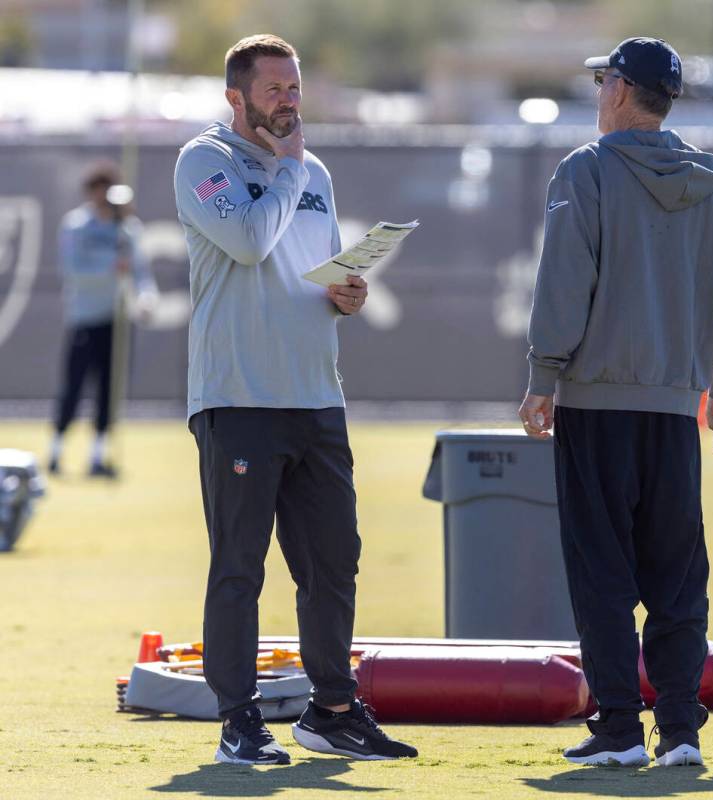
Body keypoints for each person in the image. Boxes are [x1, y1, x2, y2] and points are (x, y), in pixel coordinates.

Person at [174, 34, 417, 766]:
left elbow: (314, 268)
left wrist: (347, 292)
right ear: (236, 96)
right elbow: (249, 242)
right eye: (275, 89)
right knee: (239, 567)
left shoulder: (313, 169)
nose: (288, 101)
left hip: (315, 395)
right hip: (239, 396)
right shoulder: (204, 161)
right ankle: (238, 722)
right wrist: (285, 169)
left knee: (333, 561)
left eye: (294, 88)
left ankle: (332, 711)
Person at [518, 37, 713, 768]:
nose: (596, 94)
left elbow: (563, 283)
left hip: (597, 402)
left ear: (621, 90)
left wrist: (541, 375)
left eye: (601, 81)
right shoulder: (707, 180)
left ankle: (618, 729)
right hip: (675, 406)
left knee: (602, 573)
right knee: (677, 573)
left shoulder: (585, 171)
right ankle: (680, 729)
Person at [49, 162, 156, 478]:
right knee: (74, 385)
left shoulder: (127, 228)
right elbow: (73, 271)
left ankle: (97, 455)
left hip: (117, 321)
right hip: (84, 318)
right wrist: (111, 266)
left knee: (109, 391)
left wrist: (146, 297)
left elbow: (140, 271)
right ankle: (55, 451)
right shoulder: (76, 225)